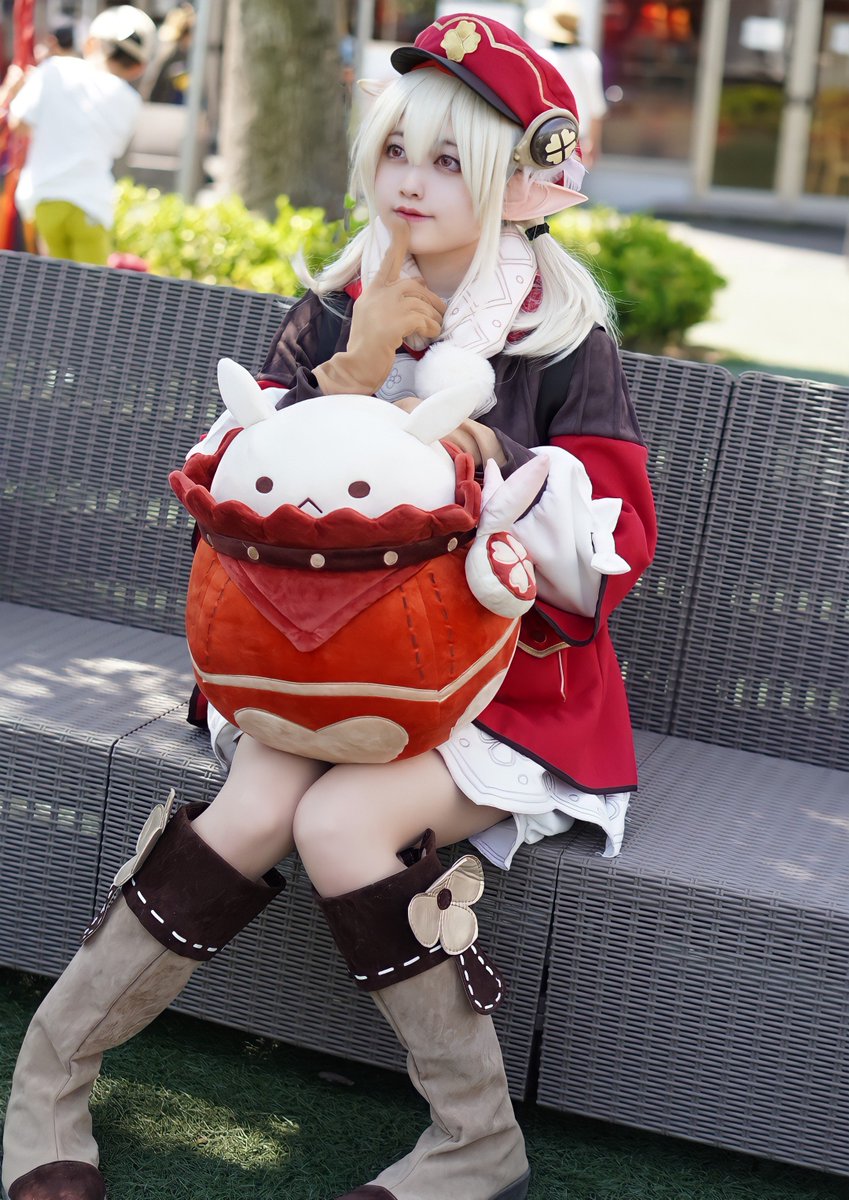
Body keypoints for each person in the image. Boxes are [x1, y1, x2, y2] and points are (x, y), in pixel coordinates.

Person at [1, 12, 657, 1200]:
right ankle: (47, 1086)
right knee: (256, 804)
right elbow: (228, 493)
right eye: (398, 148)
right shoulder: (337, 305)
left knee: (341, 826)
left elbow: (615, 547)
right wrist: (356, 369)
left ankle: (477, 1144)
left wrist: (482, 452)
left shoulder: (561, 339)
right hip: (312, 662)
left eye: (449, 158)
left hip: (498, 688)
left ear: (511, 178)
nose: (413, 180)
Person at [7, 5, 156, 266]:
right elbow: (115, 148)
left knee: (53, 282)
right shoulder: (130, 102)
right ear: (138, 67)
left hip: (45, 198)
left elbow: (18, 123)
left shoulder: (54, 70)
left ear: (90, 43)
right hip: (89, 203)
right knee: (92, 287)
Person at [525, 0, 608, 167]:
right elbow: (596, 108)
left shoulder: (543, 58)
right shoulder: (588, 59)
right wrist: (593, 143)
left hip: (542, 137)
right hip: (576, 140)